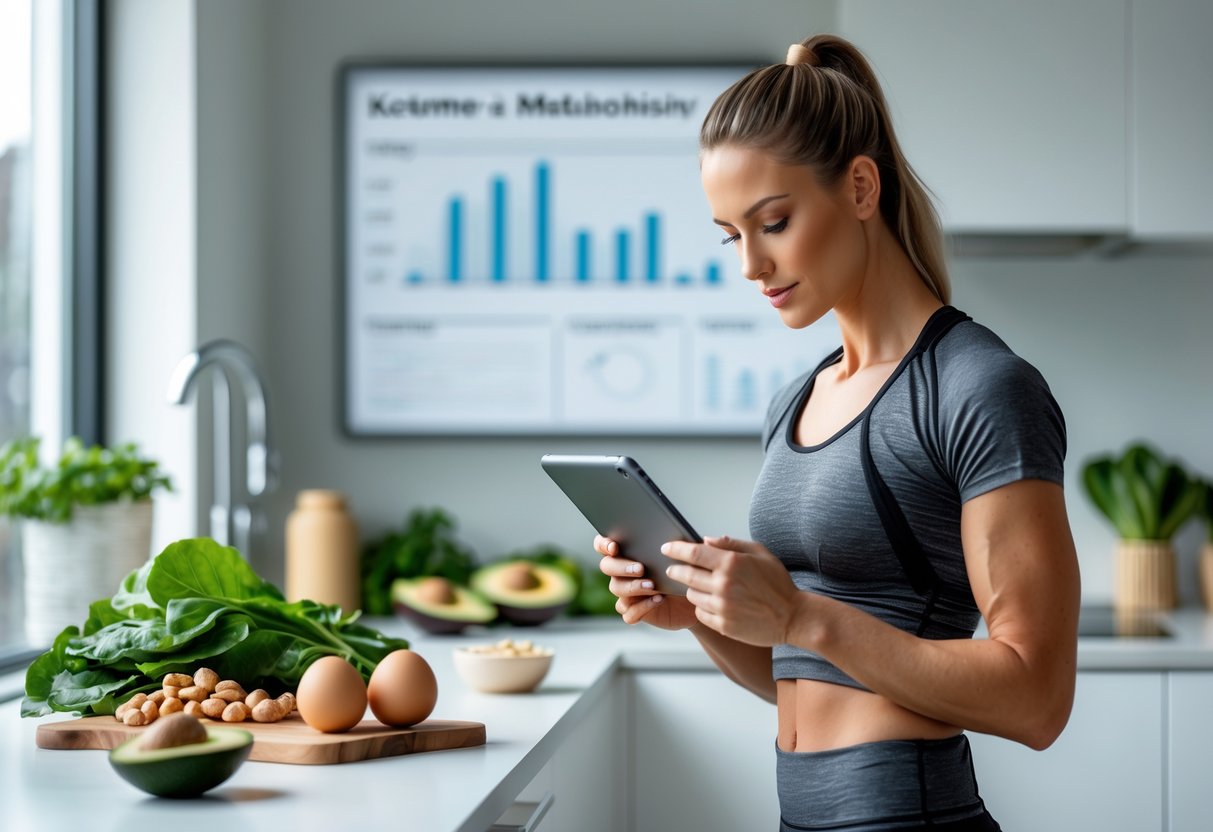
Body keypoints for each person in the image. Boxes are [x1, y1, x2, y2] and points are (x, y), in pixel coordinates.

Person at [594, 34, 1081, 832]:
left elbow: (1035, 699)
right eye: (729, 234)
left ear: (859, 187)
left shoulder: (977, 387)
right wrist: (703, 619)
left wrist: (798, 616)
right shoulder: (795, 401)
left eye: (773, 222)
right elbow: (813, 672)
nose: (750, 264)